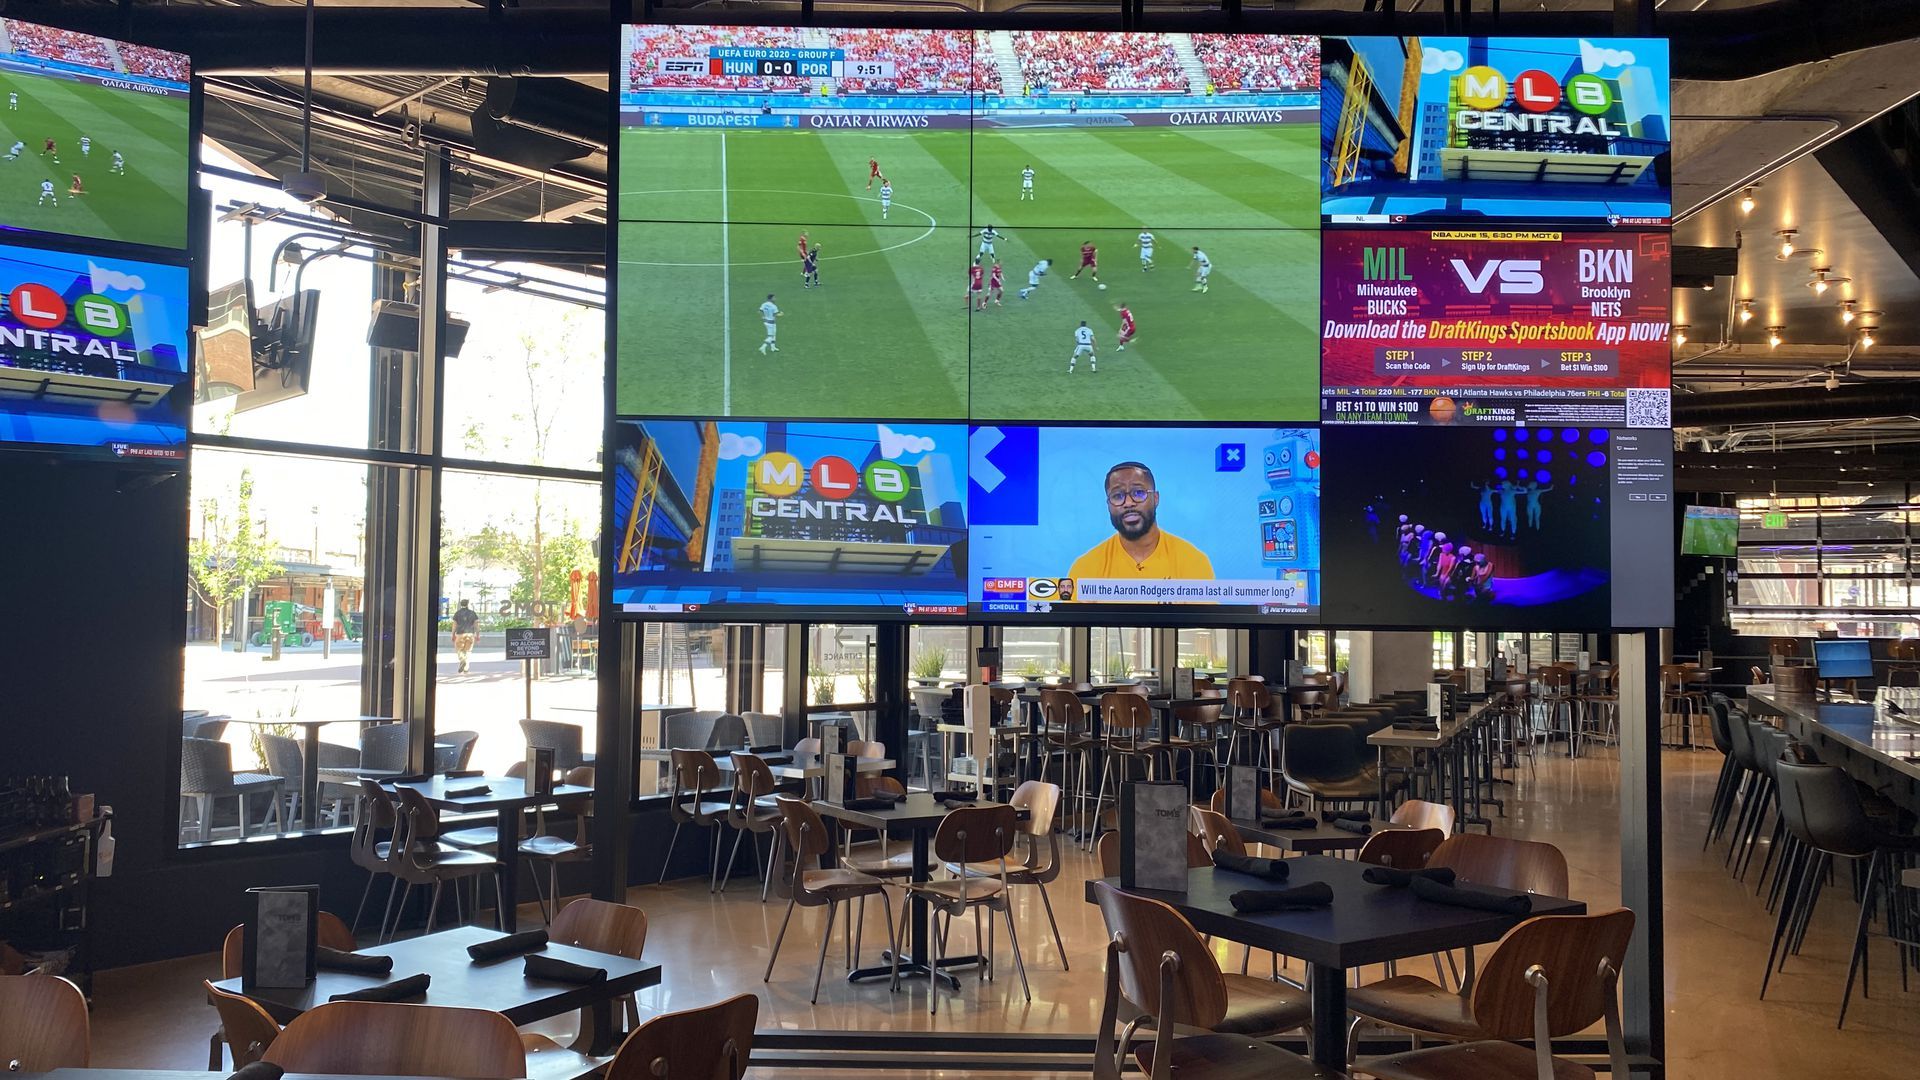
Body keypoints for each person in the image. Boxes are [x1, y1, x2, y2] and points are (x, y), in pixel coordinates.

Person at [1068, 462, 1216, 587]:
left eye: (1138, 493)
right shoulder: (1085, 568)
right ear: (1108, 504)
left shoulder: (1192, 561)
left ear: (1156, 498)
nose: (1129, 503)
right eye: (1117, 496)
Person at [451, 600, 479, 673]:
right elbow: (476, 625)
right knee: (468, 651)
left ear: (461, 604)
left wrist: (453, 634)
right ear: (467, 604)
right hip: (470, 634)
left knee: (459, 650)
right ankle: (466, 668)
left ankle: (462, 660)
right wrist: (478, 634)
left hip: (460, 634)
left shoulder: (457, 613)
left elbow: (454, 625)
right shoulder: (472, 613)